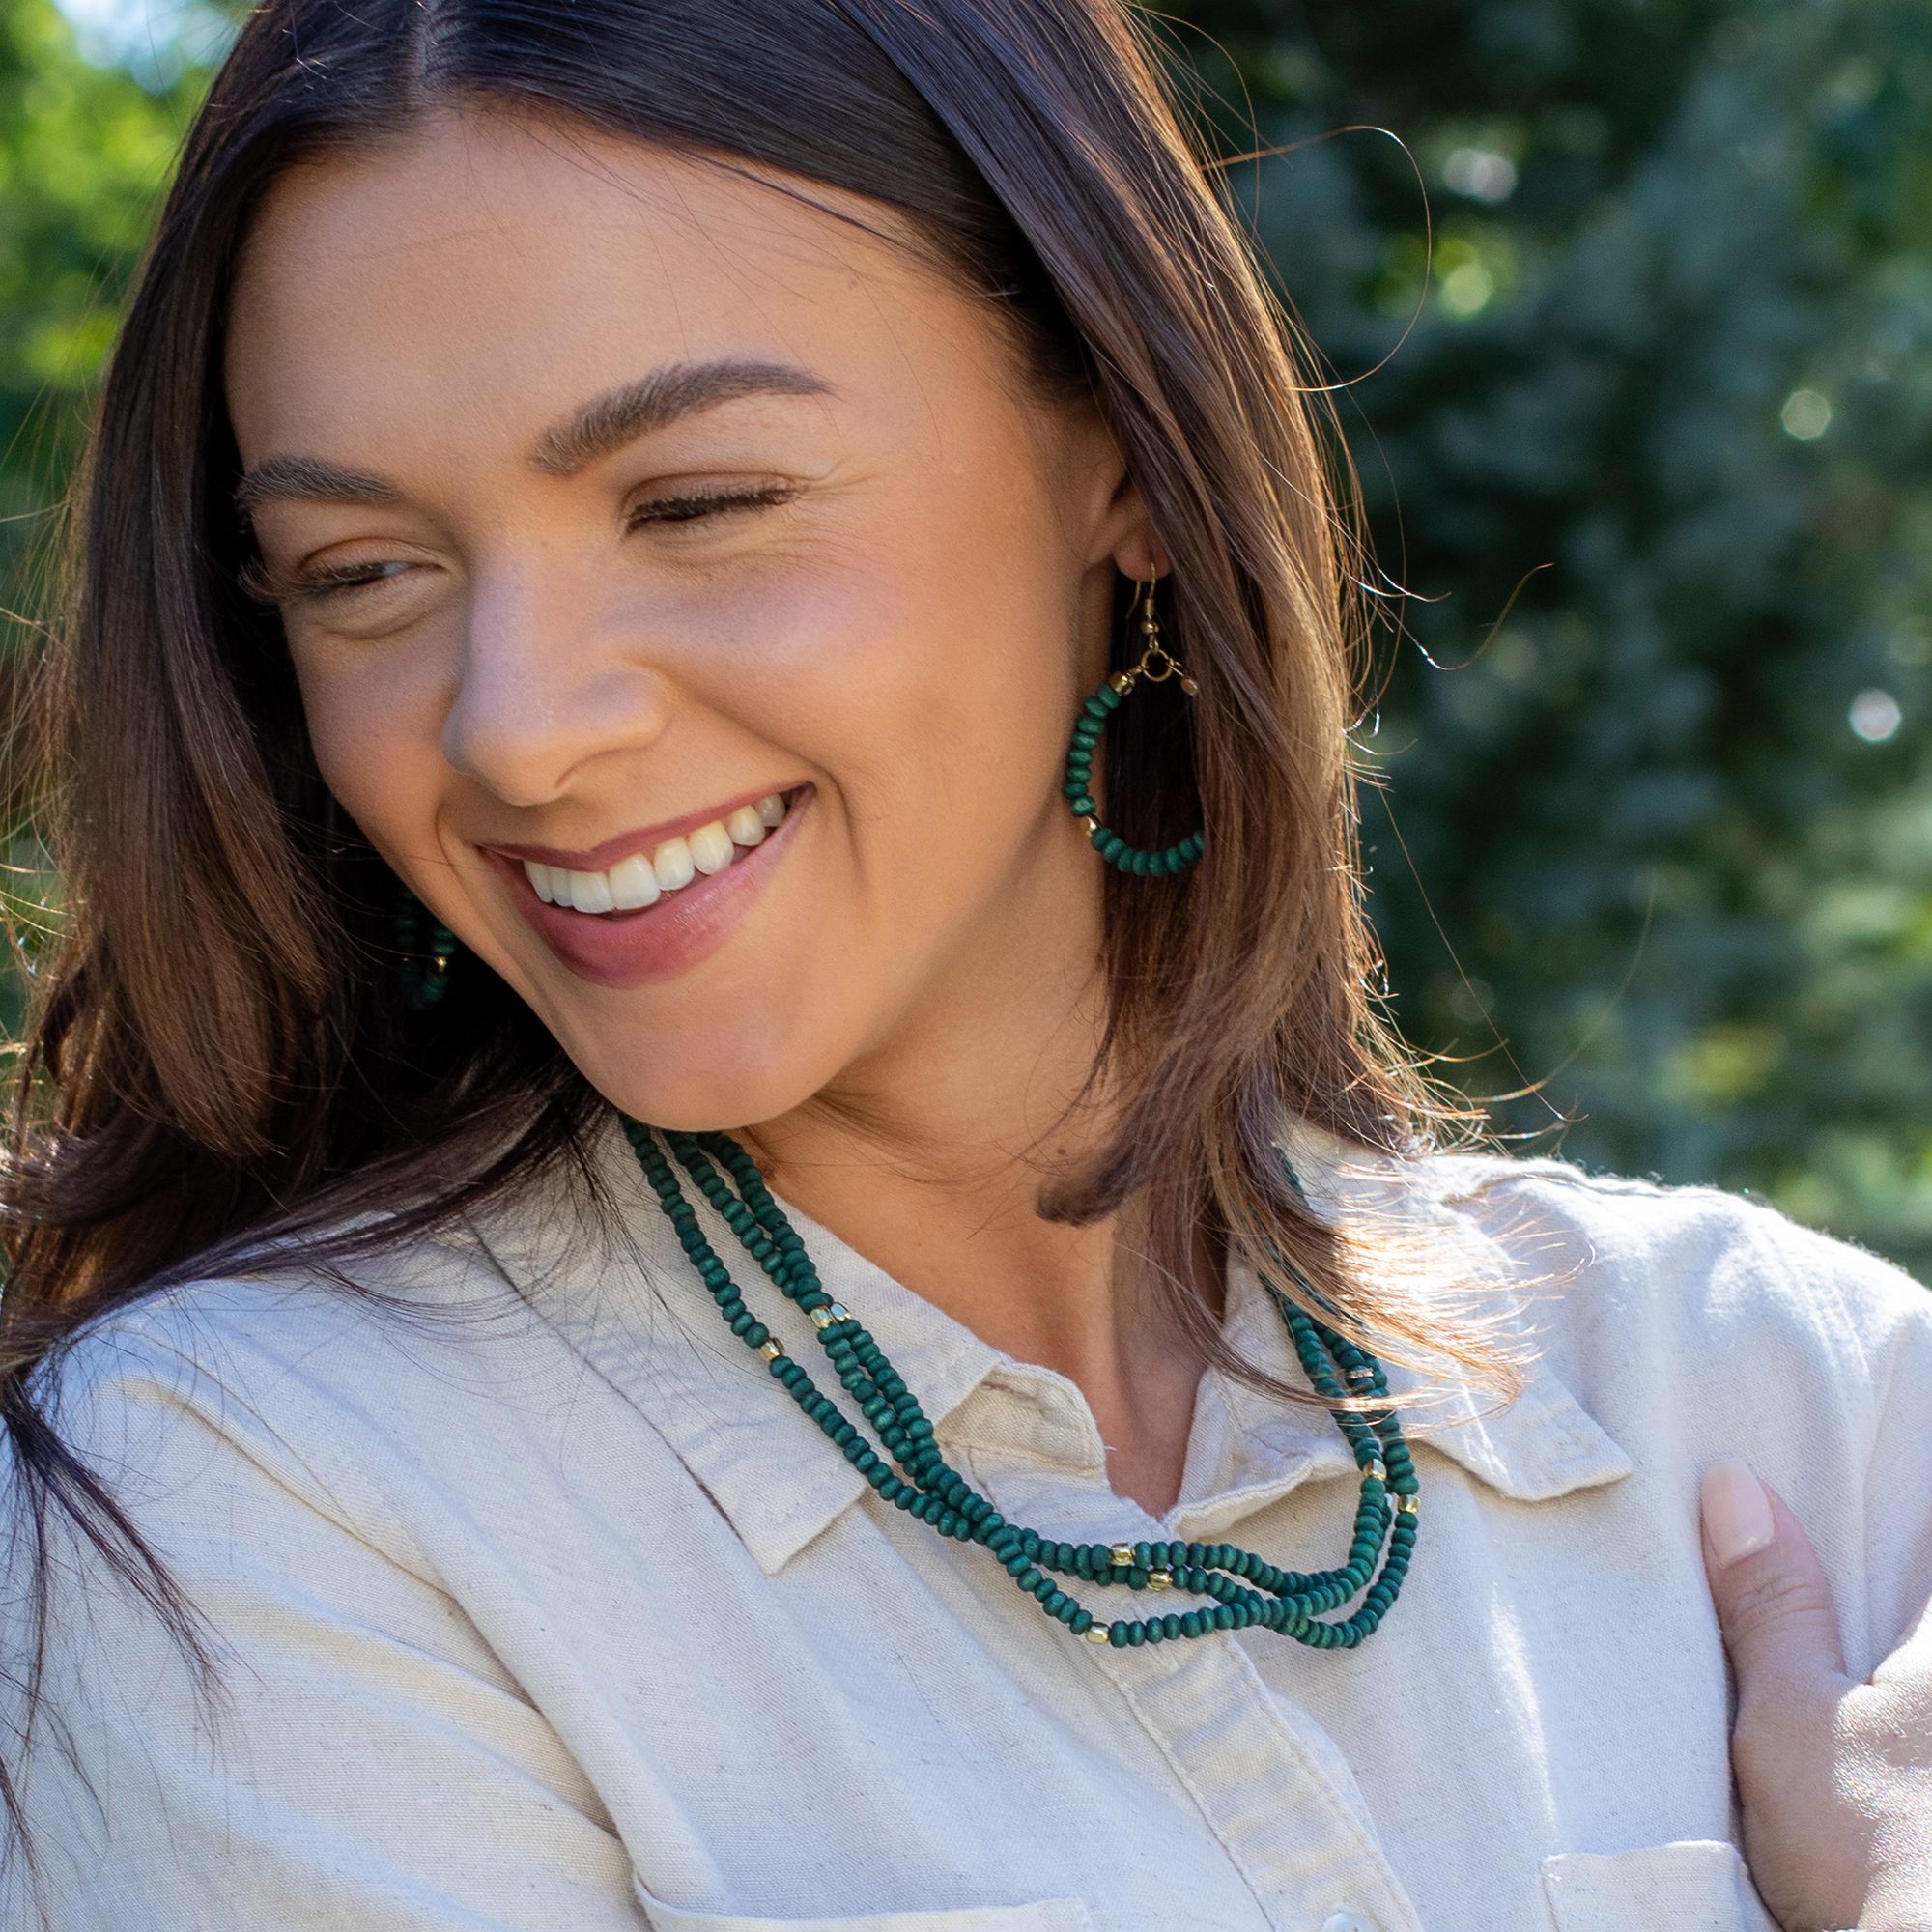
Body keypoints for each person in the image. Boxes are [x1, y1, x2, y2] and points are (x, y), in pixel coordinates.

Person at [0, 3, 1926, 1928]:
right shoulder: (255, 1505)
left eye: (699, 503)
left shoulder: (1788, 1397)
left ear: (1127, 465)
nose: (511, 729)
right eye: (360, 573)